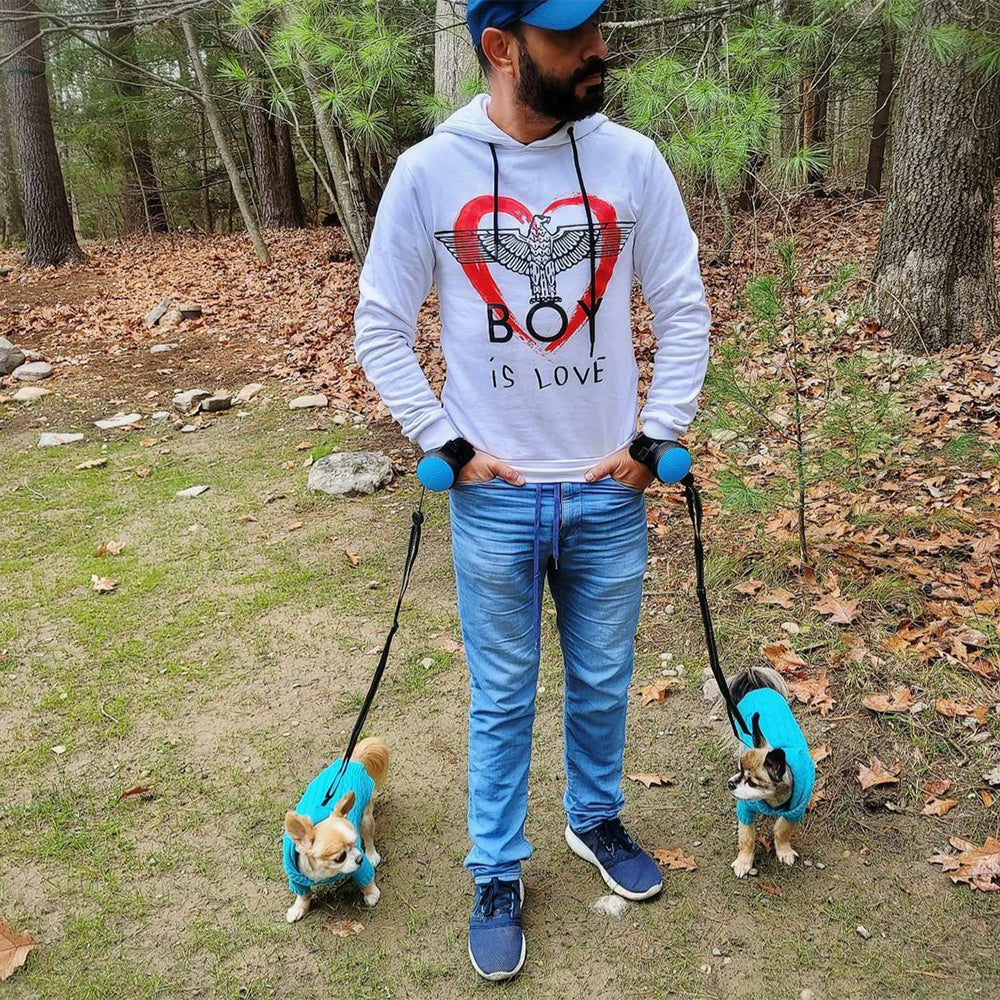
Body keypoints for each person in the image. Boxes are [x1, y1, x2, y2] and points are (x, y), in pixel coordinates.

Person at [354, 0, 710, 981]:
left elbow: (683, 307)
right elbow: (380, 323)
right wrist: (444, 440)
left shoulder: (632, 162)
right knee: (503, 695)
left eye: (597, 25)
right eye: (571, 35)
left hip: (607, 494)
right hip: (494, 501)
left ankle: (594, 818)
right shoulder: (430, 172)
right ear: (502, 48)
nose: (598, 48)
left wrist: (655, 436)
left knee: (601, 679)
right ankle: (497, 868)